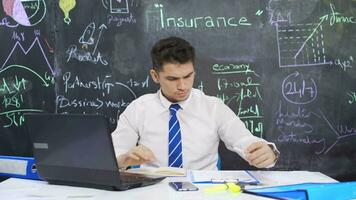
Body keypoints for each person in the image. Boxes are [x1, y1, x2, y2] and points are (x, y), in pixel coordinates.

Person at [112, 36, 279, 170]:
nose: (182, 86)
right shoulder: (138, 109)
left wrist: (268, 152)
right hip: (152, 190)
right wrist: (123, 159)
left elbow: (244, 140)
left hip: (203, 191)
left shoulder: (213, 107)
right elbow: (114, 153)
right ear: (155, 76)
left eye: (188, 76)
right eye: (172, 79)